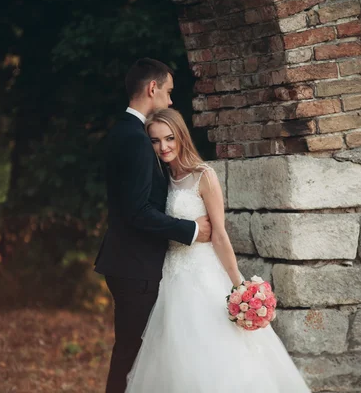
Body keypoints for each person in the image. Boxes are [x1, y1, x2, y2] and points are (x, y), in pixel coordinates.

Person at [125, 108, 311, 393]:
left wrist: (239, 284)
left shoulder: (204, 176)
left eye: (170, 138)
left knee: (220, 354)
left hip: (201, 273)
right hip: (171, 276)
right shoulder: (158, 179)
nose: (163, 147)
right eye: (155, 140)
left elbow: (220, 234)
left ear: (181, 136)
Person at [94, 58, 212, 393]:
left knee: (137, 353)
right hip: (135, 266)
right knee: (132, 355)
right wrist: (189, 230)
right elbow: (136, 210)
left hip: (130, 262)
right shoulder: (133, 138)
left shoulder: (125, 131)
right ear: (152, 88)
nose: (171, 101)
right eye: (169, 92)